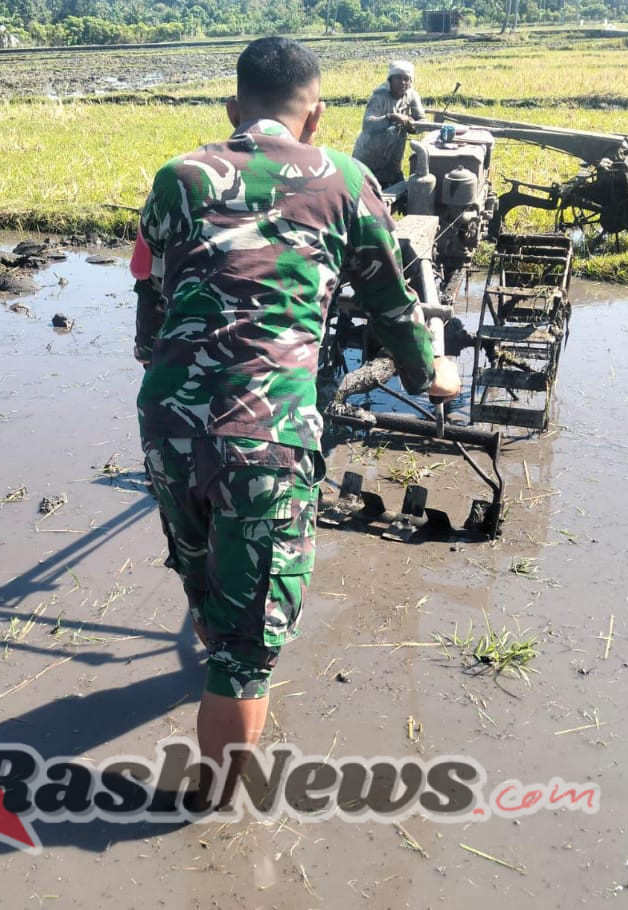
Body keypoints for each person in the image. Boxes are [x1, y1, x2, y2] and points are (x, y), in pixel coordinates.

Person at [130, 36, 460, 808]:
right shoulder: (345, 178)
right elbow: (391, 307)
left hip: (167, 420)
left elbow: (150, 310)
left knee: (204, 575)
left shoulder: (176, 179)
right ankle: (211, 819)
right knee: (248, 655)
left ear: (231, 110)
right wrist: (429, 373)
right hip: (267, 432)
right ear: (315, 117)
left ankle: (219, 647)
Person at [351, 60, 426, 190]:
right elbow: (367, 124)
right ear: (390, 79)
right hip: (368, 158)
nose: (403, 82)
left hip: (392, 159)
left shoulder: (412, 96)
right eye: (398, 78)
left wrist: (411, 126)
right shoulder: (379, 97)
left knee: (396, 191)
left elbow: (421, 122)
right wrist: (391, 117)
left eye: (406, 79)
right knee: (364, 196)